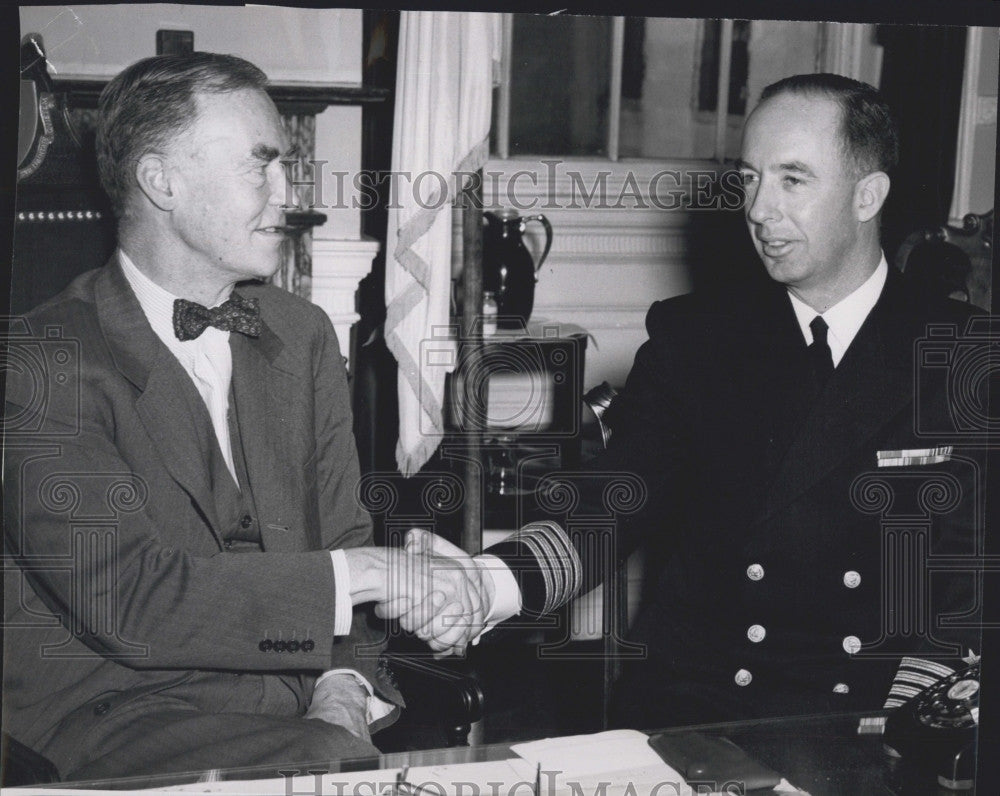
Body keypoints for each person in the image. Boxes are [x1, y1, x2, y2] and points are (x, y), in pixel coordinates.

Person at [413, 73, 983, 727]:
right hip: (701, 709)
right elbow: (616, 500)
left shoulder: (962, 353)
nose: (761, 209)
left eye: (792, 180)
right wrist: (490, 584)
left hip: (869, 719)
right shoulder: (697, 337)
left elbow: (967, 593)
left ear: (867, 195)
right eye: (749, 178)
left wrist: (912, 734)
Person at [2, 52, 494, 782]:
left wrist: (344, 690)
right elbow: (131, 601)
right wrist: (370, 573)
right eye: (259, 166)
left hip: (301, 716)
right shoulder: (38, 361)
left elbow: (341, 537)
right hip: (116, 719)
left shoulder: (300, 334)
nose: (287, 193)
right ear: (161, 180)